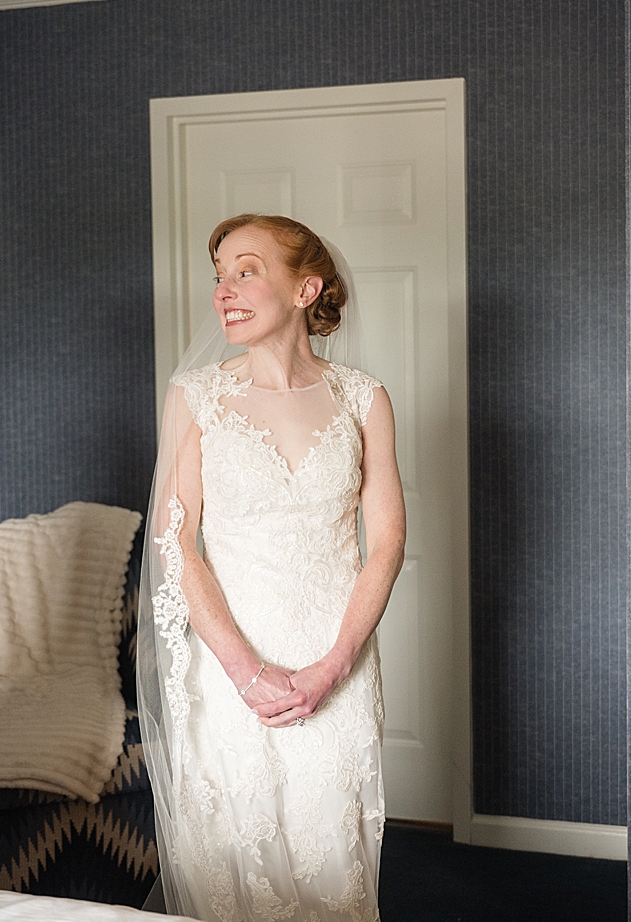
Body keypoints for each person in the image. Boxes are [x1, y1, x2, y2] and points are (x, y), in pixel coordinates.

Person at [137, 214, 405, 920]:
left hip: (337, 668)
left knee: (331, 868)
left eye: (246, 270)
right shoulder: (195, 398)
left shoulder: (363, 397)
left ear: (304, 287)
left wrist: (334, 665)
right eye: (219, 273)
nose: (224, 289)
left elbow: (387, 544)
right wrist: (244, 670)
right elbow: (176, 542)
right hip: (231, 672)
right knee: (237, 870)